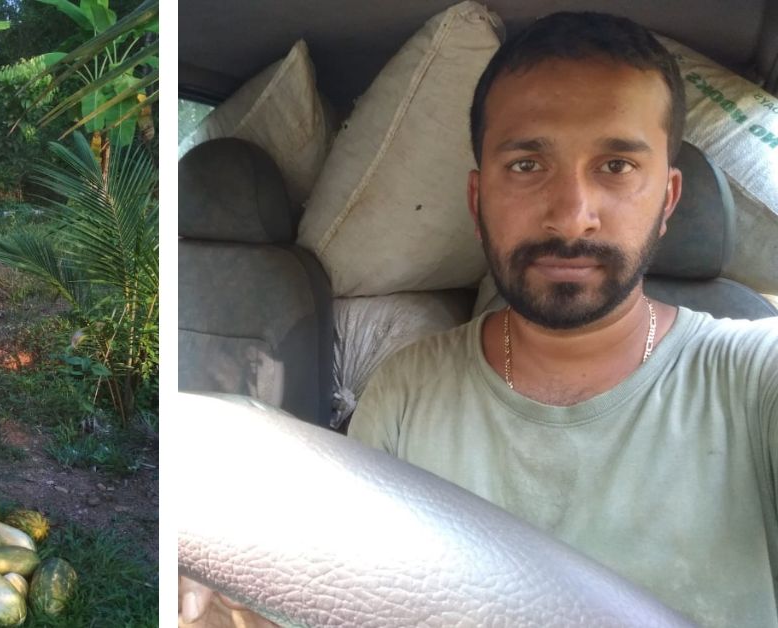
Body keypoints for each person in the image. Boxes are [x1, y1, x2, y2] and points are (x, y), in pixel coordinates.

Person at [181, 11, 778, 628]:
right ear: (477, 200)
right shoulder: (405, 392)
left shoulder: (754, 379)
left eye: (617, 166)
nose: (572, 217)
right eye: (527, 165)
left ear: (668, 202)